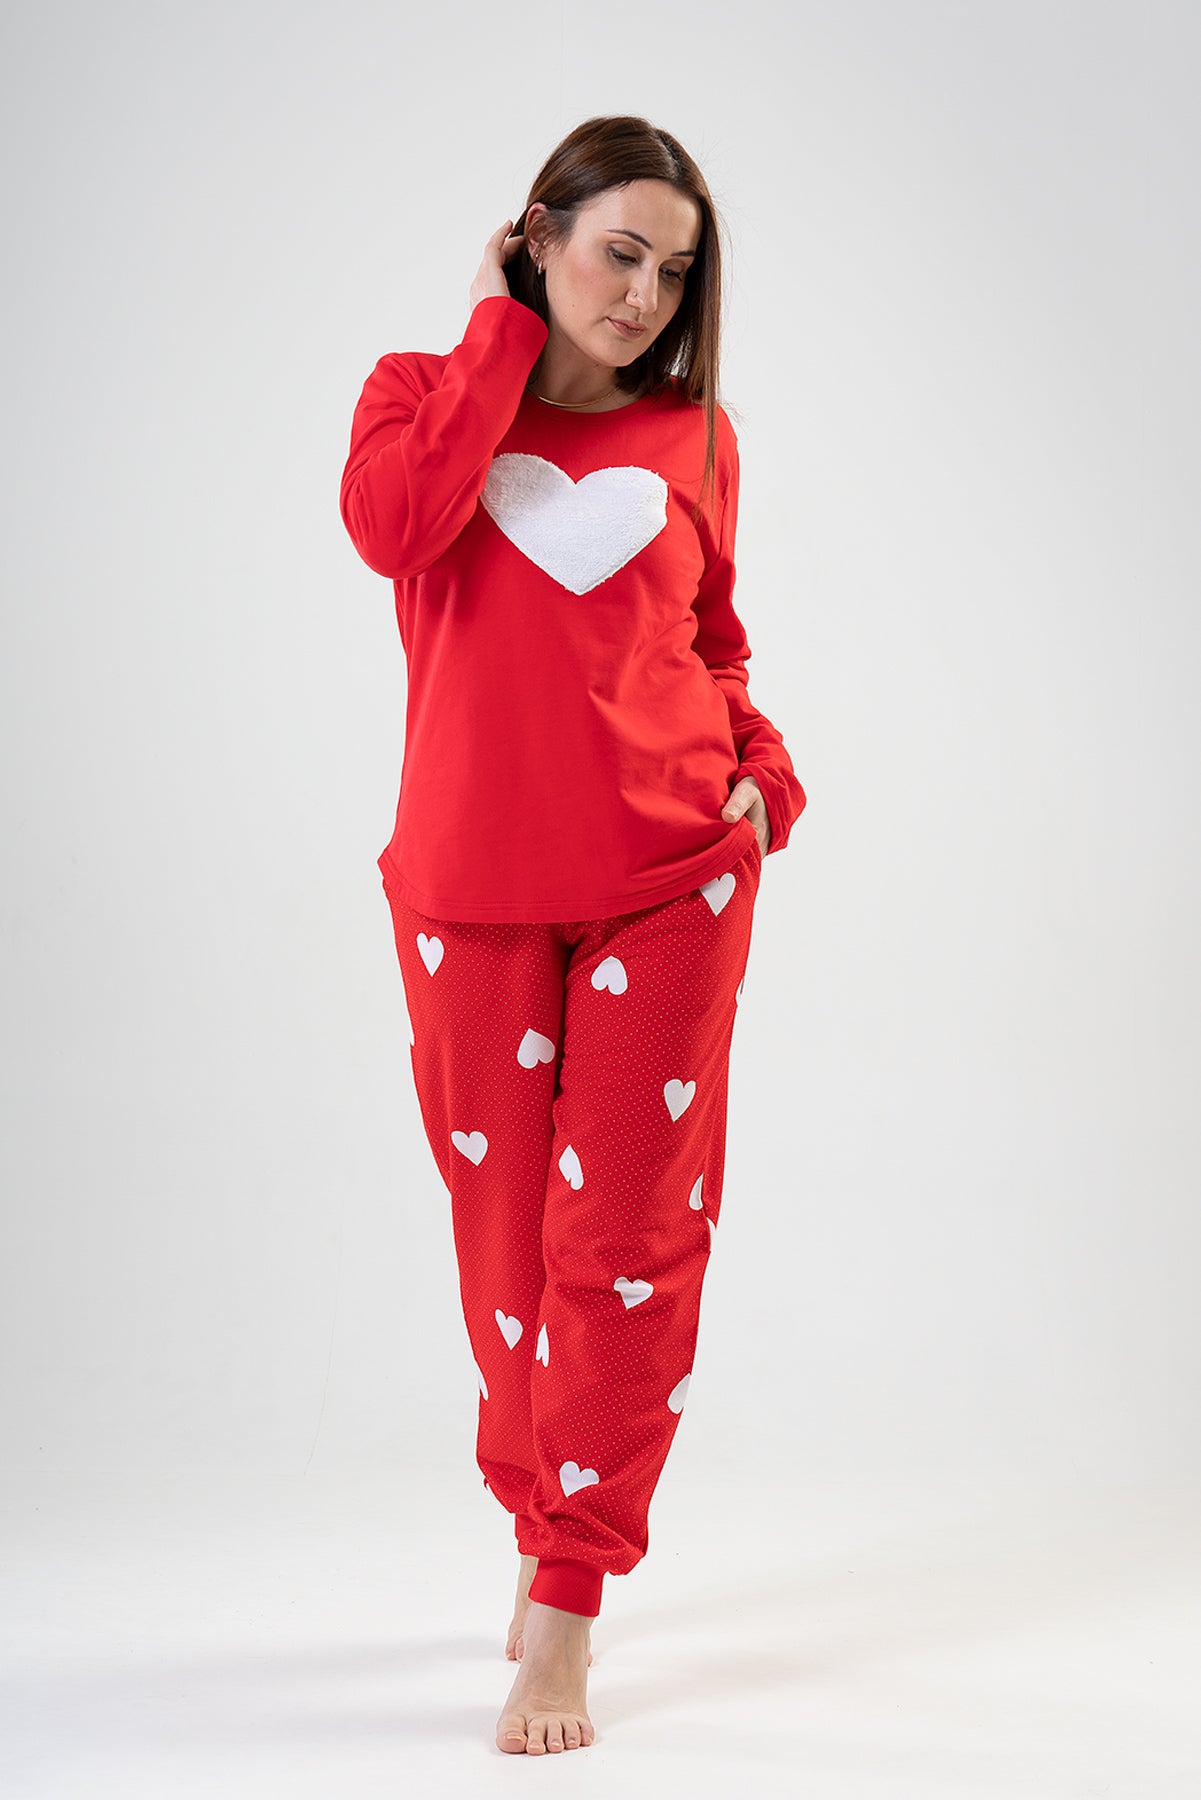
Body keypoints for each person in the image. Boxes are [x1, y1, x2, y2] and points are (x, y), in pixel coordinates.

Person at [339, 113, 806, 1756]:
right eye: (616, 253)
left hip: (669, 880)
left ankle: (567, 1598)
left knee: (623, 1242)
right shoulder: (419, 395)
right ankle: (538, 1512)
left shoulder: (697, 436)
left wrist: (758, 777)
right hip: (467, 889)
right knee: (506, 1247)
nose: (642, 295)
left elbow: (710, 643)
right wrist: (492, 333)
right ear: (534, 235)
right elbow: (393, 530)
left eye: (672, 271)